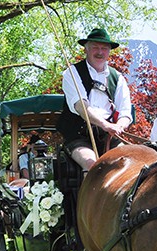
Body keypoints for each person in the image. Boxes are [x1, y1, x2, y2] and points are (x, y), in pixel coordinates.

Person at [56, 27, 132, 172]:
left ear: (109, 51)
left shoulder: (118, 78)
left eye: (104, 48)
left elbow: (125, 112)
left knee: (129, 164)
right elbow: (81, 106)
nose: (100, 52)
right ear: (86, 49)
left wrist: (119, 126)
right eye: (95, 47)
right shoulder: (72, 73)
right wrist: (105, 125)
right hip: (79, 136)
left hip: (109, 136)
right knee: (92, 165)